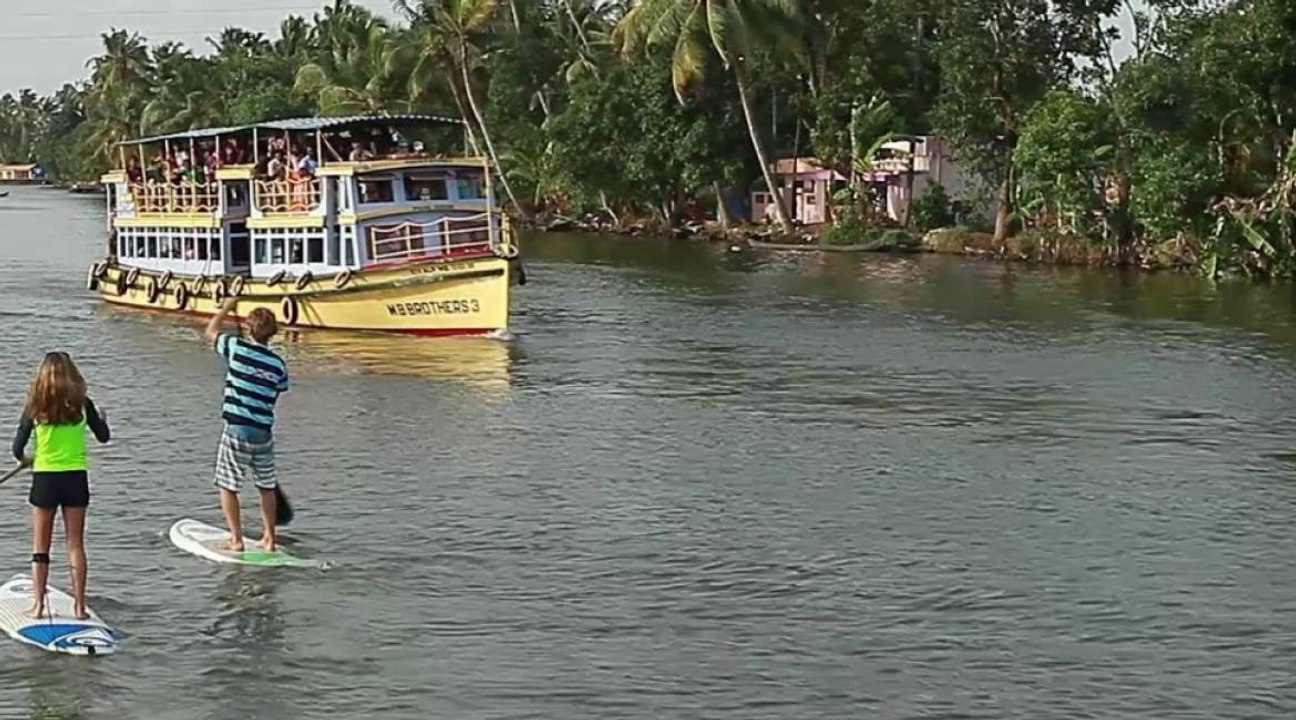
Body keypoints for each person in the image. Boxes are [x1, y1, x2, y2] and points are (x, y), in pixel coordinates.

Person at [11, 352, 111, 620]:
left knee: (40, 547)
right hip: (75, 479)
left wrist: (26, 459)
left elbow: (16, 448)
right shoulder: (82, 404)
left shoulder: (35, 406)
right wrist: (102, 418)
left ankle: (38, 607)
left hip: (45, 479)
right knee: (75, 545)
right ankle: (79, 608)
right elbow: (103, 437)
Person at [203, 298, 289, 552]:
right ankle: (269, 539)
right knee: (266, 486)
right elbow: (278, 390)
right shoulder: (279, 364)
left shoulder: (236, 347)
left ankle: (236, 539)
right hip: (263, 432)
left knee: (228, 485)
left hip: (236, 430)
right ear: (272, 333)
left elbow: (210, 332)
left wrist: (228, 307)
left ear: (250, 329)